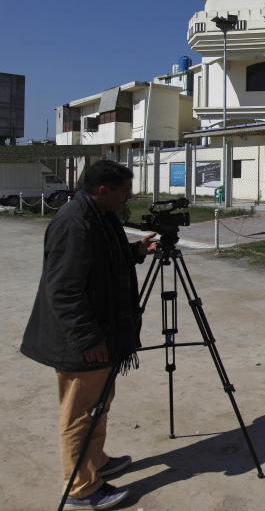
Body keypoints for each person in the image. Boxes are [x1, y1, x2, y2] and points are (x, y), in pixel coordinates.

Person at [21, 160, 157, 511]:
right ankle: (81, 489)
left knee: (98, 405)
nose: (128, 199)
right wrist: (88, 339)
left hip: (102, 333)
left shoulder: (100, 216)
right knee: (79, 414)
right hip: (81, 342)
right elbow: (63, 290)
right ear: (102, 191)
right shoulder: (74, 223)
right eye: (124, 193)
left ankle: (94, 460)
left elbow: (103, 263)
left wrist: (136, 252)